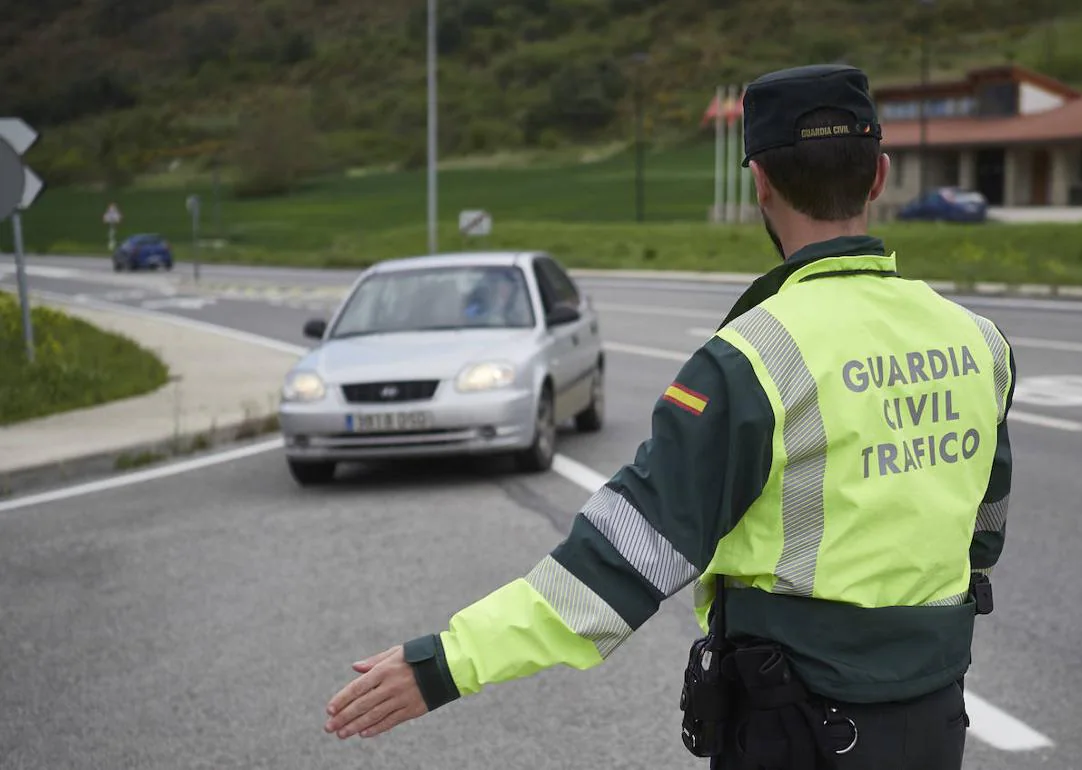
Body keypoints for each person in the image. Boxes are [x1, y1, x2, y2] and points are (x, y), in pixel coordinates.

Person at [323, 63, 1016, 770]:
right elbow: (982, 535)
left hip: (796, 729)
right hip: (933, 720)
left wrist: (444, 664)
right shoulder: (979, 341)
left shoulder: (750, 361)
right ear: (879, 177)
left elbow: (618, 564)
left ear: (760, 185)